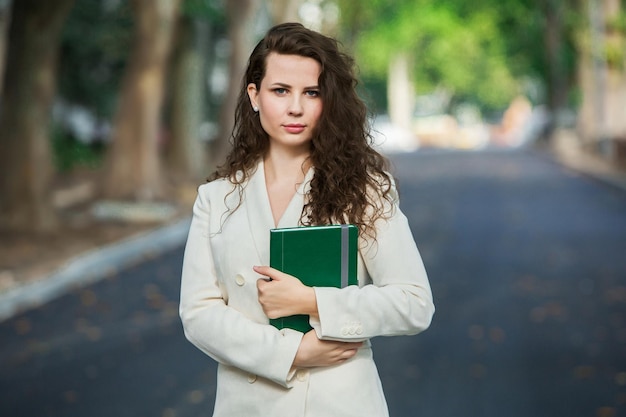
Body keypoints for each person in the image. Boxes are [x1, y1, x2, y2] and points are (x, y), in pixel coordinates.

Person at [179, 22, 434, 417]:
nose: (295, 107)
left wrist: (312, 300)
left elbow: (414, 303)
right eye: (281, 91)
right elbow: (198, 314)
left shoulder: (363, 187)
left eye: (311, 93)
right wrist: (294, 352)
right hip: (247, 405)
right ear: (255, 95)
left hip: (340, 403)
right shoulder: (216, 198)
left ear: (327, 100)